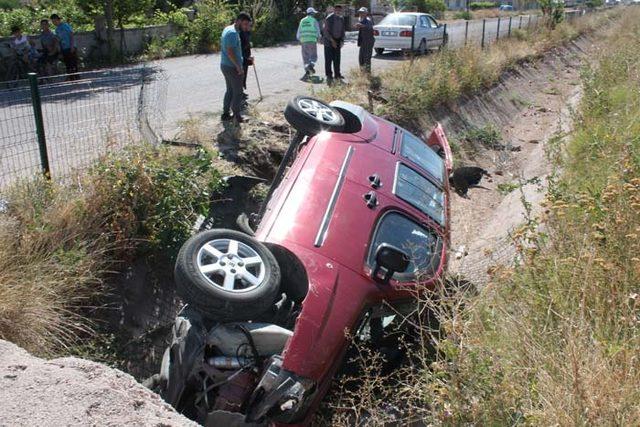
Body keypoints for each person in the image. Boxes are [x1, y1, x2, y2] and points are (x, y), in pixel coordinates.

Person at [220, 12, 252, 124]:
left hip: (226, 65)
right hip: (232, 67)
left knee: (230, 90)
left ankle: (225, 114)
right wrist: (238, 67)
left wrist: (245, 59)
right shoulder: (232, 33)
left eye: (248, 25)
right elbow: (230, 52)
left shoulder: (229, 29)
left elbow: (235, 50)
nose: (247, 27)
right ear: (238, 21)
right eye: (245, 24)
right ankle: (237, 116)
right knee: (238, 92)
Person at [322, 4, 345, 84]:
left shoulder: (341, 18)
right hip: (329, 41)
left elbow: (342, 30)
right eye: (336, 10)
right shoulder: (329, 18)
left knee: (337, 59)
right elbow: (325, 31)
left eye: (339, 10)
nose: (338, 11)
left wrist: (342, 40)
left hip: (338, 40)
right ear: (334, 10)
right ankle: (329, 75)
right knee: (328, 59)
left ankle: (337, 75)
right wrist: (332, 41)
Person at [50, 14, 78, 79]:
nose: (54, 23)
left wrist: (72, 46)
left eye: (55, 21)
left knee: (73, 62)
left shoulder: (65, 25)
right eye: (53, 22)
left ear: (58, 20)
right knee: (67, 63)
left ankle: (76, 76)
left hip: (70, 46)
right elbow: (59, 39)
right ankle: (70, 76)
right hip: (64, 47)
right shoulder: (57, 30)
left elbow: (71, 35)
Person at [296, 7, 320, 81]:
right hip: (312, 40)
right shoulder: (314, 20)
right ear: (312, 13)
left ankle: (307, 72)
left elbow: (298, 33)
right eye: (314, 13)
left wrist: (300, 39)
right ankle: (310, 66)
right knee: (313, 57)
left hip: (303, 41)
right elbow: (318, 31)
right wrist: (318, 38)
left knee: (305, 57)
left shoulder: (302, 21)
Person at [356, 7, 375, 72]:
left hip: (368, 42)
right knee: (361, 58)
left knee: (367, 58)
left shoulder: (368, 20)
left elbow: (369, 27)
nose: (361, 14)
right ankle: (362, 72)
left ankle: (367, 73)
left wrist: (361, 25)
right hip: (363, 42)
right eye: (360, 12)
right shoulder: (361, 20)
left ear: (366, 13)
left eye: (363, 12)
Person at [239, 19, 253, 99]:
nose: (249, 27)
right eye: (248, 25)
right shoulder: (240, 33)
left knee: (244, 76)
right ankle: (240, 93)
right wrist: (246, 56)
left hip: (247, 57)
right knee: (241, 76)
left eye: (250, 25)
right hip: (243, 58)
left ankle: (242, 91)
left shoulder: (247, 32)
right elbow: (240, 48)